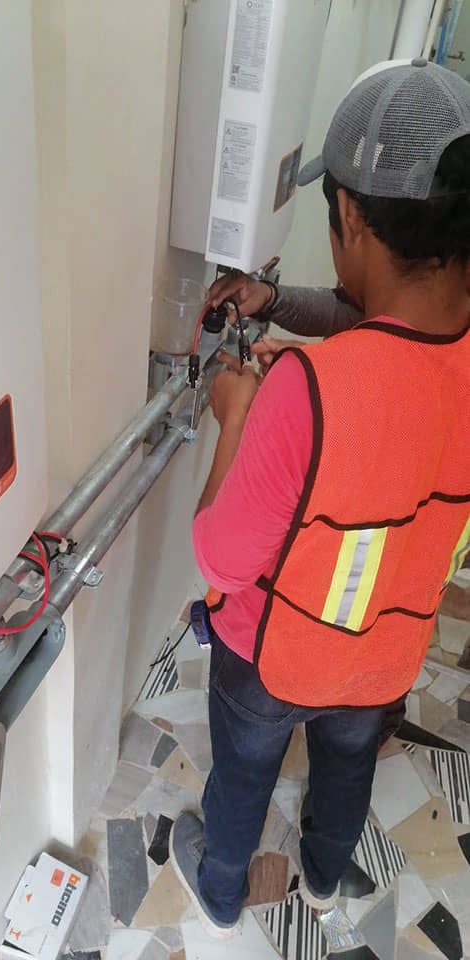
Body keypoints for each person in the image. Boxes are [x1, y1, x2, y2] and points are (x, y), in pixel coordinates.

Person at [169, 58, 470, 939]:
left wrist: (239, 415)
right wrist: (278, 302)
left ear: (350, 217)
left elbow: (222, 558)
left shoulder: (307, 391)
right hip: (387, 651)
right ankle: (326, 877)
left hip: (275, 659)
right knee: (346, 765)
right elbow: (399, 341)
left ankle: (220, 891)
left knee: (243, 774)